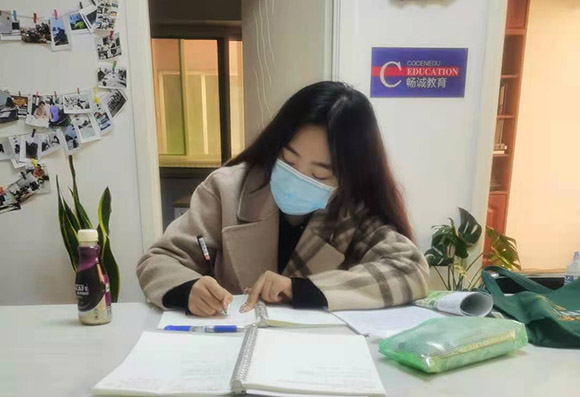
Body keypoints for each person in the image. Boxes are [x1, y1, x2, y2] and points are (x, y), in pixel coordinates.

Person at [137, 81, 429, 316]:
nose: (298, 178)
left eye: (320, 174)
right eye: (288, 160)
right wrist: (188, 289)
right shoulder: (227, 190)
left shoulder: (350, 212)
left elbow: (410, 269)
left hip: (315, 354)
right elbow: (159, 260)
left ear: (349, 177)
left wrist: (299, 289)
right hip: (228, 344)